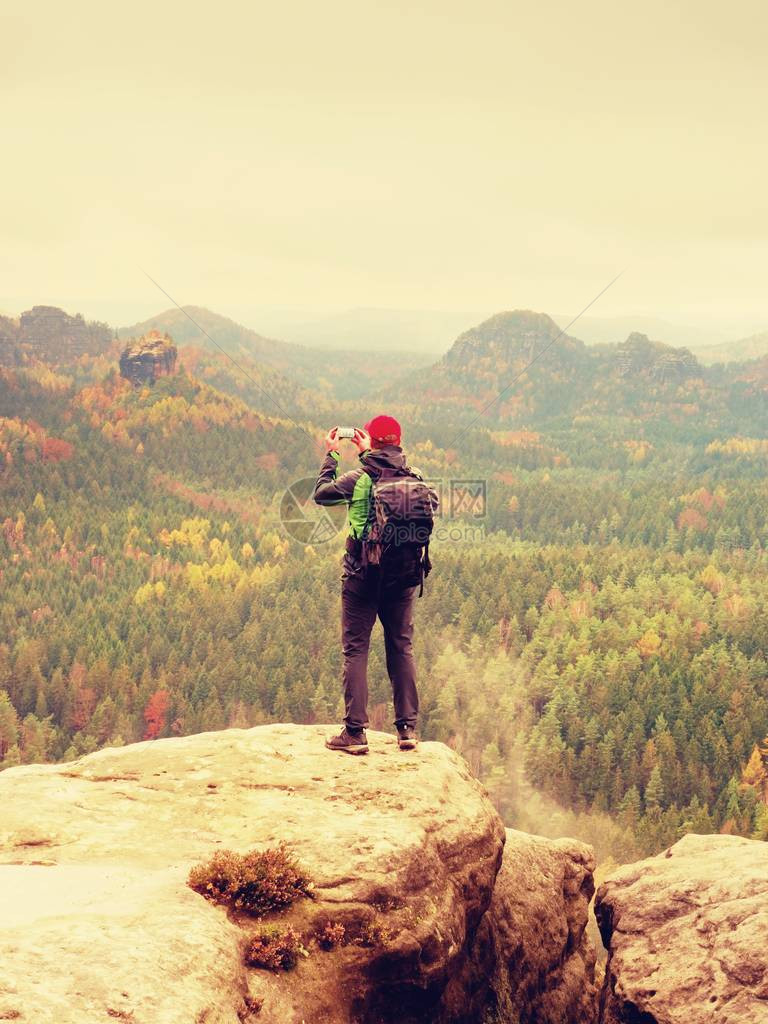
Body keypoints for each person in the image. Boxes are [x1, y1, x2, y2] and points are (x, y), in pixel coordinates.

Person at [313, 415, 433, 755]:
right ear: (399, 441)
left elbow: (322, 495)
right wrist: (371, 454)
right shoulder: (415, 478)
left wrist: (332, 456)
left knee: (356, 649)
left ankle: (355, 733)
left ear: (371, 442)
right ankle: (407, 729)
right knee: (401, 647)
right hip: (403, 577)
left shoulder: (360, 478)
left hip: (362, 575)